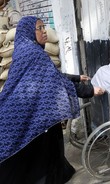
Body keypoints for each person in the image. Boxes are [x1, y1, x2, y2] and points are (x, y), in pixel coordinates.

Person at [0, 16, 80, 184]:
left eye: (44, 27)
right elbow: (57, 82)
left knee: (35, 150)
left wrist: (77, 77)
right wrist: (89, 90)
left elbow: (53, 75)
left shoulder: (23, 49)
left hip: (29, 111)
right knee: (38, 152)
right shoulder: (34, 54)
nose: (44, 31)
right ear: (29, 31)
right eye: (40, 28)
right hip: (32, 114)